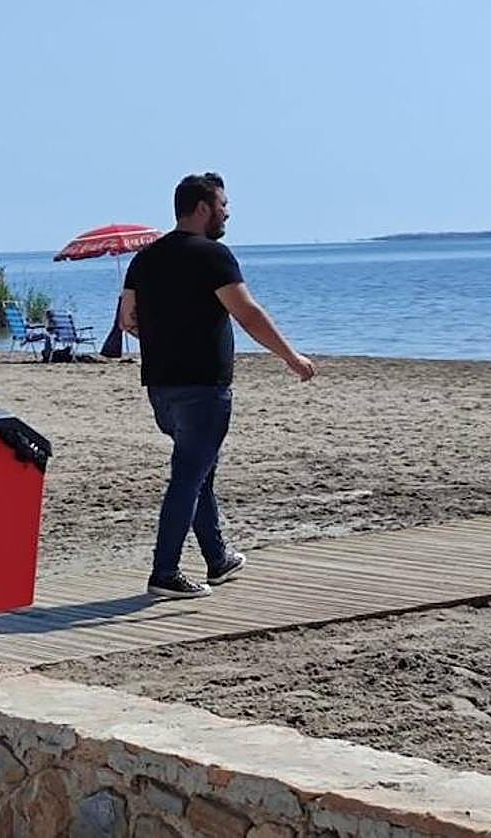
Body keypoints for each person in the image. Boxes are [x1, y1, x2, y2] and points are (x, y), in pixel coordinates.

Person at [120, 172, 316, 598]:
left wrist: (166, 335)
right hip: (202, 387)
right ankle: (164, 573)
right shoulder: (213, 255)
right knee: (188, 477)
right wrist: (291, 357)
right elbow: (247, 313)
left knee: (199, 471)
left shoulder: (144, 258)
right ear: (202, 208)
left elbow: (127, 320)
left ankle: (218, 559)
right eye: (223, 205)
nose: (227, 213)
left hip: (160, 388)